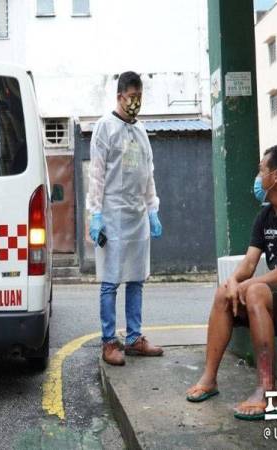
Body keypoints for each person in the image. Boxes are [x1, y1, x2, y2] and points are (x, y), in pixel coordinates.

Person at [186, 144, 277, 420]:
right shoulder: (264, 216)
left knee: (255, 292)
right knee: (223, 294)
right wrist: (232, 282)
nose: (258, 177)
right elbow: (249, 264)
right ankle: (209, 379)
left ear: (276, 176)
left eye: (261, 170)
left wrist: (248, 286)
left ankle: (267, 391)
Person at [86, 71, 164, 366]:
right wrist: (96, 213)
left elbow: (148, 172)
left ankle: (134, 338)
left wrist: (152, 208)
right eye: (132, 97)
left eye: (140, 98)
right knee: (110, 280)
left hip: (137, 214)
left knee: (136, 278)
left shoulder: (141, 131)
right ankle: (109, 341)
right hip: (113, 213)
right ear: (119, 96)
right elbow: (97, 173)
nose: (136, 103)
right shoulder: (105, 128)